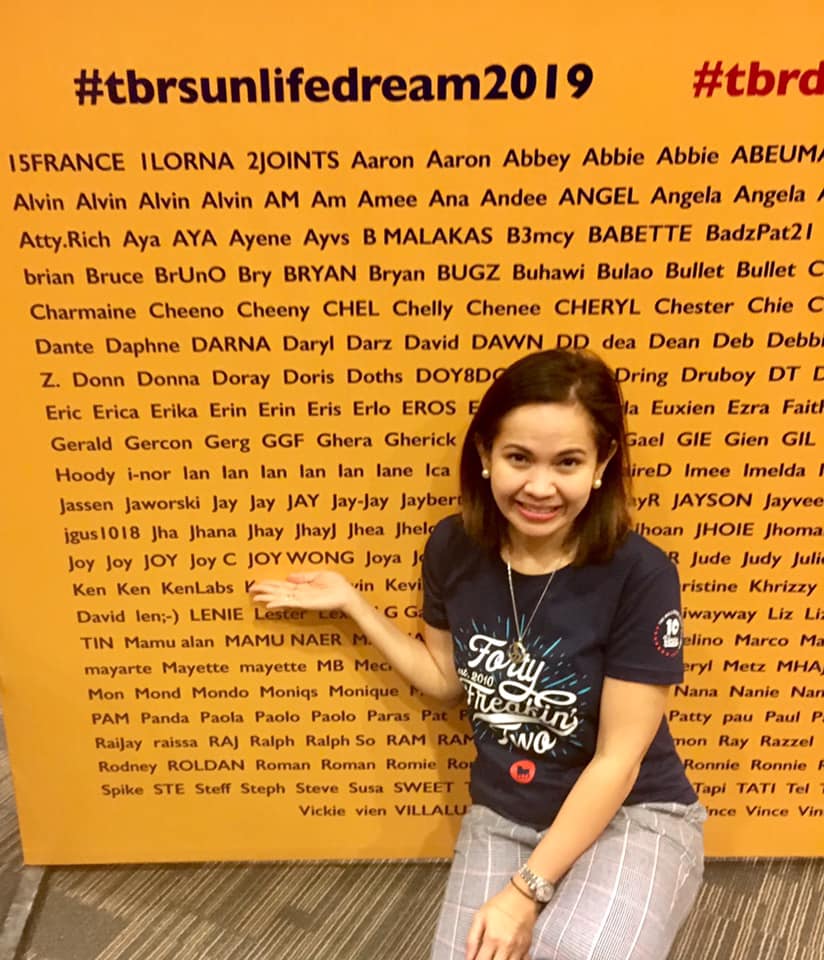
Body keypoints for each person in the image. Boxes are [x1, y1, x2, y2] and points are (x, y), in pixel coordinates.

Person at [250, 348, 705, 960]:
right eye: (519, 457)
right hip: (506, 815)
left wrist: (525, 893)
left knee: (571, 952)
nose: (540, 486)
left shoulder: (641, 573)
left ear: (601, 466)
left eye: (567, 461)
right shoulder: (453, 547)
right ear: (486, 455)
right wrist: (354, 605)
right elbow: (444, 680)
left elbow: (617, 764)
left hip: (634, 815)